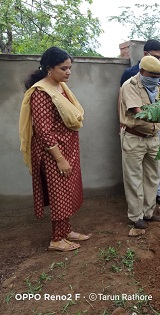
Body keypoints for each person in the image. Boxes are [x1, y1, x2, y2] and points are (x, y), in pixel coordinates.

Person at [19, 47, 91, 252]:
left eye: (70, 68)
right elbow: (43, 131)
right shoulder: (41, 93)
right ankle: (56, 239)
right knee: (59, 193)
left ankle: (66, 230)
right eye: (63, 68)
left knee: (67, 191)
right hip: (52, 153)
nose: (68, 72)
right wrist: (60, 159)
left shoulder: (60, 87)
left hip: (68, 148)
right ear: (49, 69)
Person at [120, 39, 160, 208]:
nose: (156, 80)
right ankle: (136, 216)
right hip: (135, 137)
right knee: (134, 179)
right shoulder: (130, 84)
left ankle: (149, 212)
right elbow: (139, 112)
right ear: (142, 71)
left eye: (158, 77)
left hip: (153, 137)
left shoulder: (157, 85)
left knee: (152, 177)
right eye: (153, 77)